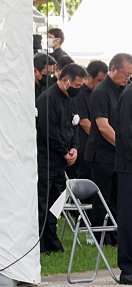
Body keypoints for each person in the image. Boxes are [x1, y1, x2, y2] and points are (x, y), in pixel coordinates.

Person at [36, 63, 85, 254]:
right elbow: (49, 131)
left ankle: (52, 240)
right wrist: (64, 150)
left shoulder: (69, 99)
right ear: (65, 81)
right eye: (77, 86)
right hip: (46, 159)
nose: (78, 90)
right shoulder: (48, 99)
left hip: (61, 161)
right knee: (42, 202)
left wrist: (74, 147)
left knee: (55, 204)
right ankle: (40, 242)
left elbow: (73, 125)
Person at [86, 53, 132, 244]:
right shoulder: (101, 91)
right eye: (126, 73)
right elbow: (103, 126)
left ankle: (114, 235)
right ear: (113, 69)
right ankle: (98, 235)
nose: (128, 77)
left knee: (115, 198)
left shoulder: (123, 91)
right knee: (102, 197)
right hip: (102, 154)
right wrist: (122, 146)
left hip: (116, 155)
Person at [72, 60, 108, 179]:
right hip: (84, 146)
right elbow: (84, 122)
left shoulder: (99, 92)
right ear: (89, 76)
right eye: (99, 80)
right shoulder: (80, 93)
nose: (100, 84)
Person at [115, 70, 132, 284]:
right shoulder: (129, 94)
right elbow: (128, 133)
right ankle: (127, 267)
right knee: (128, 218)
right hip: (129, 166)